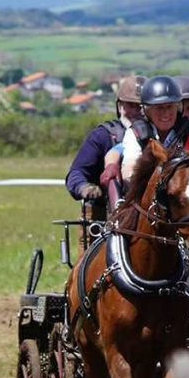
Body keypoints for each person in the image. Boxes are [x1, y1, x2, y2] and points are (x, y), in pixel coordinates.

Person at [104, 76, 189, 209]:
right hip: (146, 204)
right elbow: (130, 169)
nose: (166, 114)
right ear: (147, 110)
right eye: (159, 108)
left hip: (186, 203)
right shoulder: (135, 134)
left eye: (170, 107)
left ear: (178, 108)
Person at [65, 75, 145, 253]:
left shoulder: (158, 136)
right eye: (130, 105)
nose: (136, 112)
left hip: (145, 214)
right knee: (86, 272)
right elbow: (75, 173)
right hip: (101, 214)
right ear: (120, 106)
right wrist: (84, 188)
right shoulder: (102, 136)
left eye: (141, 107)